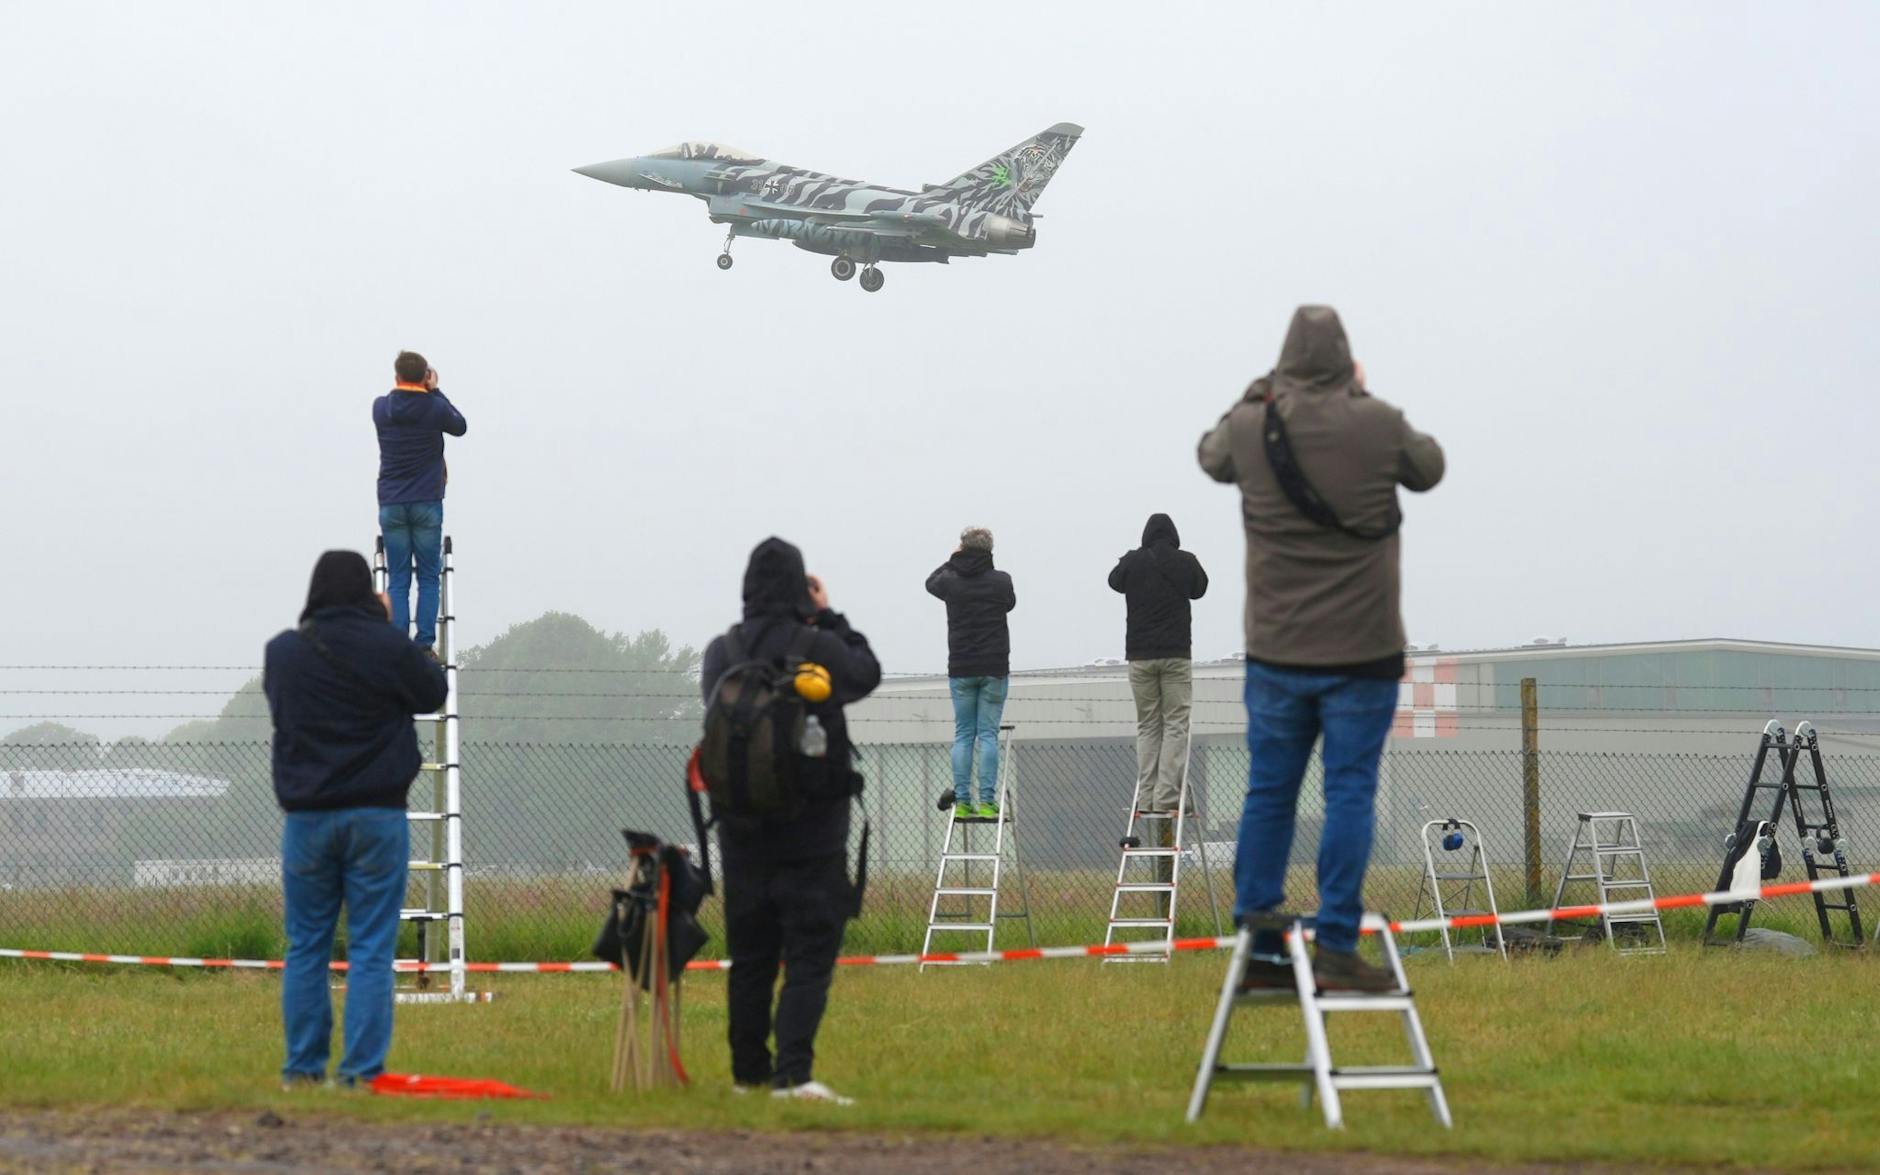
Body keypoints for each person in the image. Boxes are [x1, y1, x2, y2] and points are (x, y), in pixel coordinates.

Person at [1198, 305, 1444, 992]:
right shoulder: (1377, 420)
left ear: (1282, 361)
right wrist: (1358, 398)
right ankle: (1337, 941)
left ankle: (1259, 941)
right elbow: (1431, 468)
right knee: (1349, 792)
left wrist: (1259, 392)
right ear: (1345, 359)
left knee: (1269, 792)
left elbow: (1209, 455)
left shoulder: (1253, 423)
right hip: (1363, 650)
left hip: (1277, 649)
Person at [700, 537, 881, 1105]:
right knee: (807, 958)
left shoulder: (721, 652)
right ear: (801, 587)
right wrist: (828, 614)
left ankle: (747, 1076)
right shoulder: (818, 645)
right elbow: (867, 673)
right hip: (813, 836)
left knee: (750, 959)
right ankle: (794, 1077)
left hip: (740, 834)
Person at [263, 550, 448, 1088]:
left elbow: (282, 706)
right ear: (368, 593)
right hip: (377, 815)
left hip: (307, 821)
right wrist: (386, 626)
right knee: (371, 947)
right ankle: (361, 1072)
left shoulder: (284, 653)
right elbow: (433, 692)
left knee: (307, 946)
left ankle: (302, 1069)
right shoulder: (387, 644)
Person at [1108, 513, 1209, 816]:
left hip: (1139, 655)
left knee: (1148, 725)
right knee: (1175, 724)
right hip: (1176, 654)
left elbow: (1114, 581)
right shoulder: (1185, 560)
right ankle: (1167, 796)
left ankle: (1146, 795)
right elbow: (1200, 589)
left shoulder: (1133, 561)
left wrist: (1129, 558)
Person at [373, 350, 468, 659]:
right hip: (427, 501)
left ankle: (398, 640)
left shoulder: (381, 409)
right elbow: (460, 425)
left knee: (398, 578)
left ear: (397, 376)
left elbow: (393, 399)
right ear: (425, 376)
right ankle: (424, 644)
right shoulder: (435, 408)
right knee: (428, 575)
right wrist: (436, 390)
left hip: (392, 503)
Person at [925, 527, 1017, 820]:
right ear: (990, 550)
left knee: (964, 734)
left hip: (962, 667)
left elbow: (931, 582)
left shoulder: (951, 582)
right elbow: (1010, 604)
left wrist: (953, 559)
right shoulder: (1001, 582)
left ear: (962, 549)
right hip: (994, 667)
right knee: (988, 734)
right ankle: (988, 802)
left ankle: (963, 800)